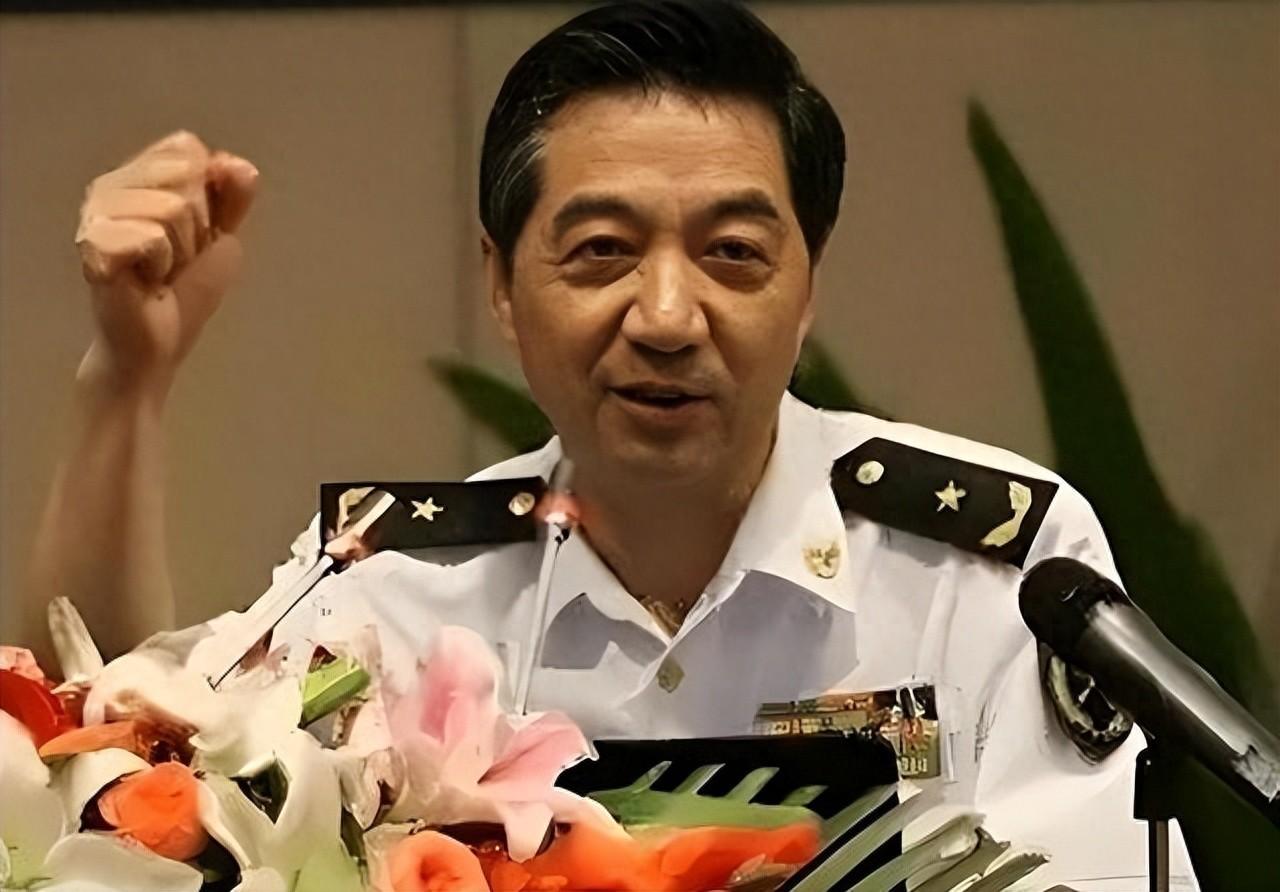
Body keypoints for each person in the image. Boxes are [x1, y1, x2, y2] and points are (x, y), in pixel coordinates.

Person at [26, 1, 1199, 887]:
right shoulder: (392, 585)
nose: (668, 316)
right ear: (500, 284)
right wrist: (127, 383)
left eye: (733, 252)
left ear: (806, 287)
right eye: (599, 250)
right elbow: (114, 760)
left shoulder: (989, 565)